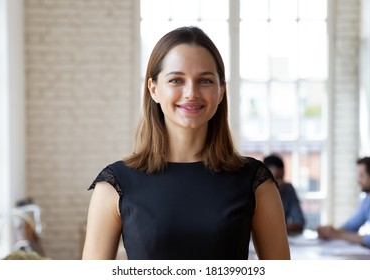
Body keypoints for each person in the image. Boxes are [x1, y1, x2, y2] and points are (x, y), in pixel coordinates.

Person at [82, 26, 290, 260]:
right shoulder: (114, 185)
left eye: (205, 80)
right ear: (154, 89)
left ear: (221, 91)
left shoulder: (256, 182)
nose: (191, 93)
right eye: (176, 80)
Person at [316, 154, 370, 249]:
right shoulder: (369, 199)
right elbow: (352, 224)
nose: (358, 181)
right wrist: (330, 233)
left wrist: (339, 235)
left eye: (361, 176)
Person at [263, 154, 305, 234]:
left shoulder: (287, 189)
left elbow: (299, 223)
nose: (279, 183)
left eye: (281, 178)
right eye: (275, 178)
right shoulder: (255, 192)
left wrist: (273, 230)